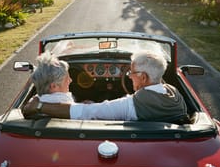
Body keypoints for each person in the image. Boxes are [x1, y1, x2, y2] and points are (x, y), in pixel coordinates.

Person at [23, 50, 188, 122]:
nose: (129, 77)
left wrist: (39, 106)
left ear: (143, 77)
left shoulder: (131, 106)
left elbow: (86, 113)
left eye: (131, 73)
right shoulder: (175, 96)